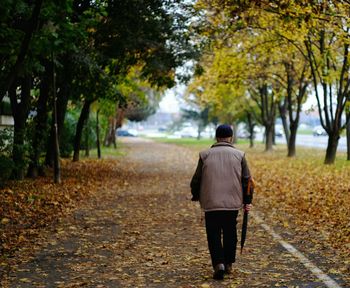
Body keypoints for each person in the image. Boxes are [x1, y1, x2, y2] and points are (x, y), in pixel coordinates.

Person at [190, 124, 253, 280]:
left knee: (213, 234)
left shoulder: (205, 155)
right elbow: (247, 181)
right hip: (232, 203)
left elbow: (196, 180)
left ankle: (219, 264)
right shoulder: (239, 155)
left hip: (211, 203)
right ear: (230, 137)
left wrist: (195, 195)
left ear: (216, 137)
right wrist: (248, 201)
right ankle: (229, 263)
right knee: (230, 233)